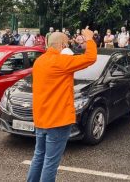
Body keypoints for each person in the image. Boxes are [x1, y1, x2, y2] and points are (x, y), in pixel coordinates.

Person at [27, 27, 97, 182]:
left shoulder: (39, 61)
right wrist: (89, 39)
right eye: (67, 44)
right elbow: (90, 58)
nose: (69, 47)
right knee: (51, 162)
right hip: (57, 120)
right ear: (62, 45)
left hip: (41, 119)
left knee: (39, 156)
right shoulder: (61, 61)